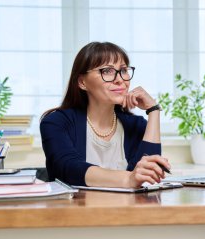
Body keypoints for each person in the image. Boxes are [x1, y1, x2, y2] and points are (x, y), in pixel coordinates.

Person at [40, 42, 170, 188]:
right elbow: (67, 169)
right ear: (82, 82)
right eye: (107, 71)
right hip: (76, 209)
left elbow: (147, 178)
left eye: (123, 70)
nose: (120, 79)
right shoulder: (55, 122)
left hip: (127, 210)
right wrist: (128, 179)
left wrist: (153, 110)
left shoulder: (136, 125)